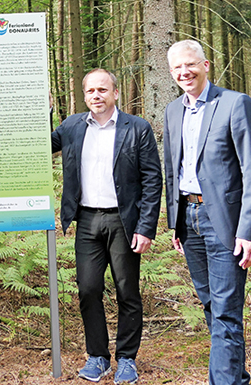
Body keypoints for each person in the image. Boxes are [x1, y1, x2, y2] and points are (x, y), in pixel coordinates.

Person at [163, 40, 251, 385]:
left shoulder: (235, 104)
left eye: (190, 65)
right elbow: (171, 170)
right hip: (189, 221)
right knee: (212, 305)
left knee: (225, 310)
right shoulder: (172, 110)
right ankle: (234, 377)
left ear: (206, 64)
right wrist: (175, 223)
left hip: (225, 222)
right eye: (177, 68)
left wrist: (250, 231)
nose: (184, 72)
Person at [51, 69, 162, 384]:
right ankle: (97, 357)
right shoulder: (72, 126)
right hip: (86, 220)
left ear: (115, 93)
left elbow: (153, 180)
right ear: (84, 95)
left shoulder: (137, 128)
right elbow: (43, 144)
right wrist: (41, 110)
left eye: (102, 90)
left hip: (123, 221)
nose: (95, 96)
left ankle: (127, 359)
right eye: (90, 91)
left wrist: (146, 227)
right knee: (88, 289)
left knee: (127, 291)